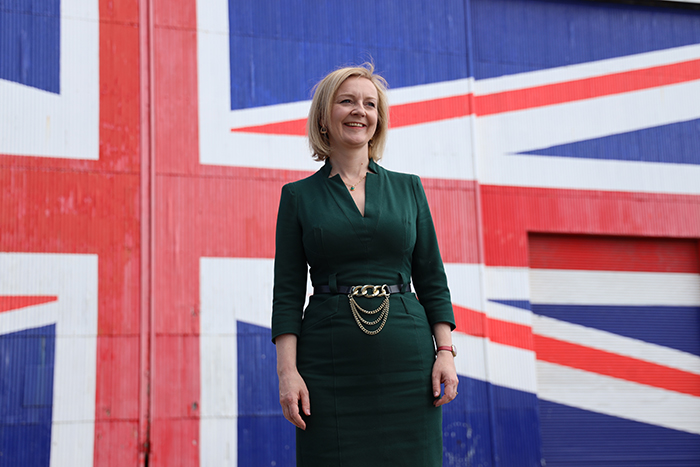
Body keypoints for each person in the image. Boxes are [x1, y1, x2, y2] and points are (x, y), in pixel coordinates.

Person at [271, 62, 458, 466]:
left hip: (409, 364)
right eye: (347, 101)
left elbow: (431, 277)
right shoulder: (298, 197)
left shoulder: (409, 188)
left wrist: (445, 351)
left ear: (379, 119)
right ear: (324, 116)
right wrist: (287, 373)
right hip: (328, 367)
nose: (360, 111)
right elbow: (286, 293)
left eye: (370, 104)